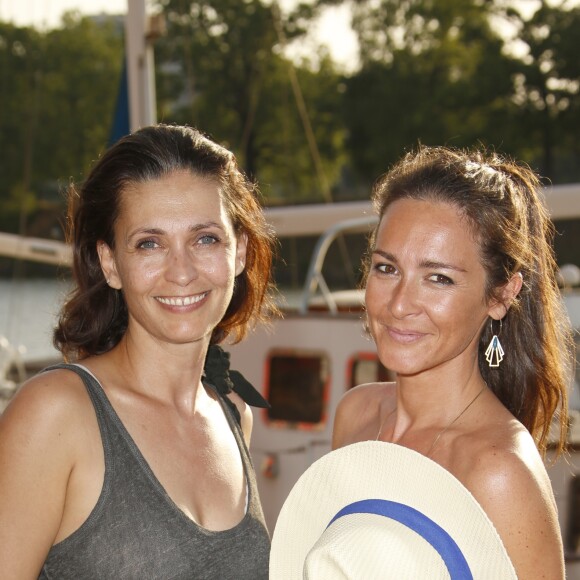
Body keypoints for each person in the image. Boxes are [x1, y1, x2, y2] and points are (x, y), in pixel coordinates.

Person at [270, 145, 574, 579]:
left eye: (438, 278)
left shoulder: (498, 469)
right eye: (386, 268)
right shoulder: (356, 416)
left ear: (502, 294)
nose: (399, 304)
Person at [0, 124, 278, 579]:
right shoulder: (56, 414)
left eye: (205, 238)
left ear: (240, 251)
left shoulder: (233, 414)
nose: (182, 271)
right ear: (110, 263)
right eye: (149, 244)